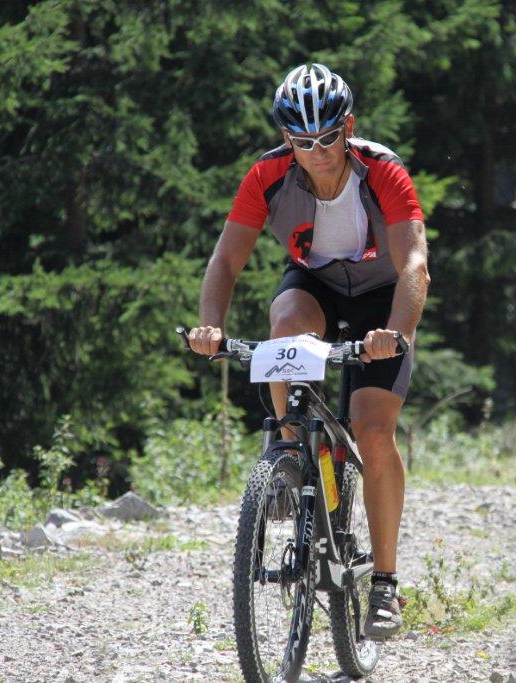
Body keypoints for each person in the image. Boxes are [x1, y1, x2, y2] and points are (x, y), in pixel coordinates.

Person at [187, 63, 430, 640]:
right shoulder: (267, 175)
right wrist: (211, 326)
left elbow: (414, 265)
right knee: (287, 323)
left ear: (349, 128)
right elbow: (226, 260)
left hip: (381, 296)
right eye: (303, 141)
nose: (317, 152)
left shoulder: (384, 171)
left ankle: (385, 584)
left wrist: (395, 333)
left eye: (328, 138)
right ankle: (291, 450)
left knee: (373, 429)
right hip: (315, 284)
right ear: (286, 139)